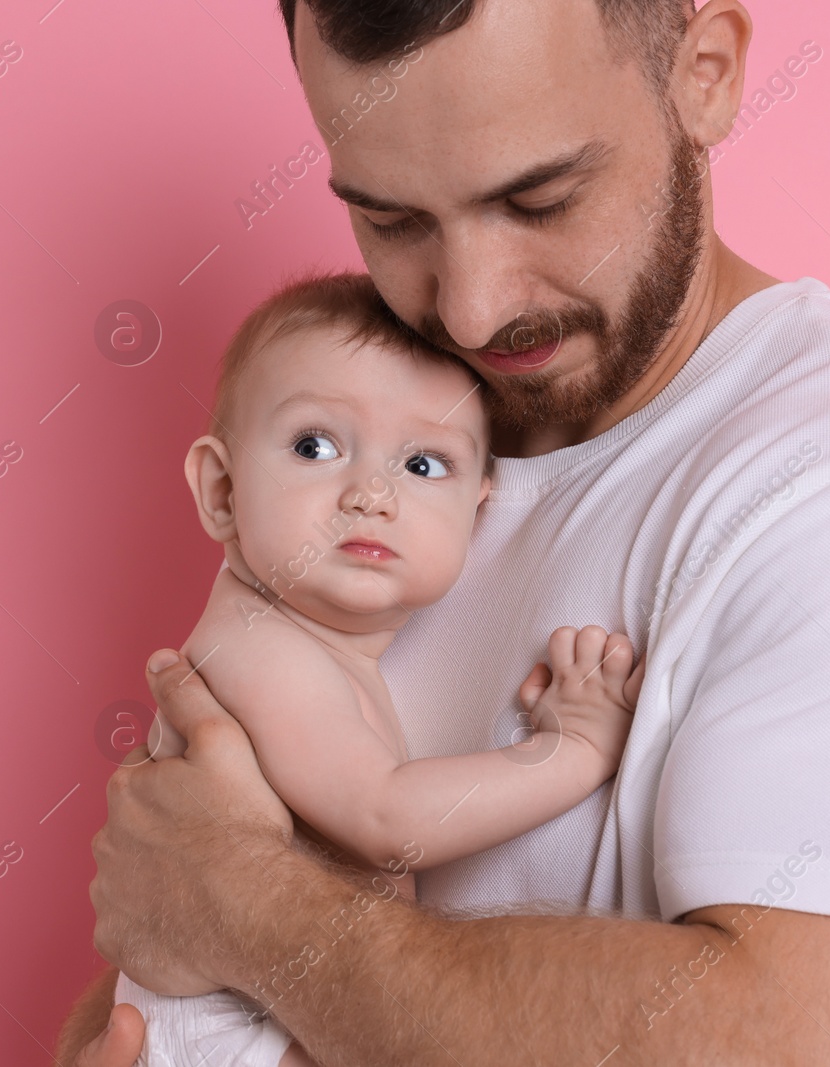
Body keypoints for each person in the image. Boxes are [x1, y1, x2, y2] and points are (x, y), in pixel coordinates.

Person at [60, 1, 830, 1064]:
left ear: (705, 73)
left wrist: (245, 907)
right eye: (392, 220)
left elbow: (811, 1044)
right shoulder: (387, 462)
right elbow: (169, 937)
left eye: (538, 200)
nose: (468, 309)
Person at [114, 270, 641, 1067]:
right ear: (222, 491)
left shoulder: (316, 640)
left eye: (424, 465)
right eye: (315, 446)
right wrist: (568, 752)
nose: (370, 492)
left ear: (480, 510)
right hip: (228, 1028)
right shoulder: (256, 647)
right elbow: (387, 819)